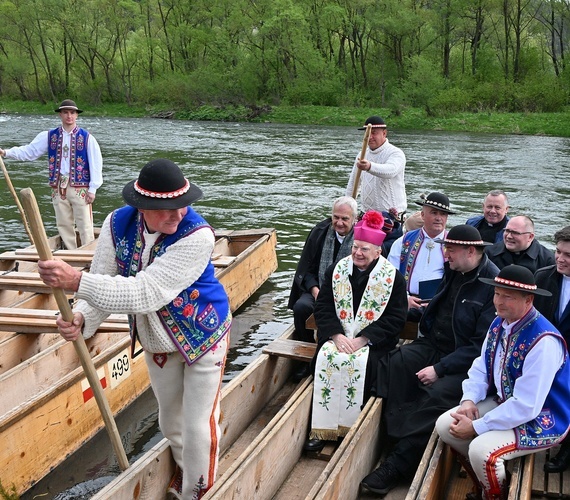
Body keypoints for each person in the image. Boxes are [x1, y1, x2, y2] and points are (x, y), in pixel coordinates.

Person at [37, 158, 231, 500]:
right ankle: (185, 472)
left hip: (204, 336)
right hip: (158, 341)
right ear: (143, 207)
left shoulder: (198, 236)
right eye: (168, 209)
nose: (178, 215)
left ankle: (197, 494)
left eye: (183, 206)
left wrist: (76, 280)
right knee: (171, 424)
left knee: (199, 426)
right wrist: (83, 319)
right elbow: (105, 279)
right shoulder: (116, 224)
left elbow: (145, 293)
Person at [360, 225, 499, 496]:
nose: (444, 253)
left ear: (471, 251)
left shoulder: (491, 285)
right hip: (434, 344)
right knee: (395, 363)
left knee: (437, 397)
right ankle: (393, 436)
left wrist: (439, 369)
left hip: (467, 364)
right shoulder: (454, 269)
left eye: (450, 249)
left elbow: (480, 348)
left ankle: (399, 463)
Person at [436, 265, 570, 500]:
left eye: (507, 296)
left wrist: (477, 427)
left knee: (482, 450)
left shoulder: (544, 341)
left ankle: (493, 495)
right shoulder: (500, 323)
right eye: (497, 293)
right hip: (506, 403)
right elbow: (481, 366)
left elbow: (527, 405)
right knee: (445, 425)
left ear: (528, 300)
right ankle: (486, 482)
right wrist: (469, 399)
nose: (498, 301)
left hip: (543, 417)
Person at [304, 210, 407, 452]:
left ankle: (352, 430)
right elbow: (324, 307)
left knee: (368, 367)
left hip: (373, 341)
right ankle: (323, 429)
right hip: (338, 336)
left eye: (364, 250)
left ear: (378, 252)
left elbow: (396, 318)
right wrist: (336, 335)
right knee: (324, 360)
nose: (358, 253)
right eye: (356, 247)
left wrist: (363, 339)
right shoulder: (336, 270)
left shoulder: (393, 278)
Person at [0, 99, 103, 250]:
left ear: (77, 116)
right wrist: (6, 153)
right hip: (58, 187)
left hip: (80, 188)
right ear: (60, 115)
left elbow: (96, 164)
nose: (69, 116)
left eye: (72, 113)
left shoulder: (87, 138)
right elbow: (30, 152)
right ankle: (70, 255)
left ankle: (87, 255)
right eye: (66, 112)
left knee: (85, 224)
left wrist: (93, 189)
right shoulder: (49, 136)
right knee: (63, 224)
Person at [287, 196, 357, 380]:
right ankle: (306, 355)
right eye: (336, 217)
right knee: (301, 308)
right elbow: (308, 270)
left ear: (354, 220)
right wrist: (315, 290)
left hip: (350, 294)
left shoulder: (361, 240)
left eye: (344, 219)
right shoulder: (319, 233)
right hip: (320, 289)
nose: (339, 223)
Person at [534, 226, 570, 473]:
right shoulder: (543, 277)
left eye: (568, 255)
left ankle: (567, 449)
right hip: (546, 351)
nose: (560, 258)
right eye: (558, 252)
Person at [387, 192, 454, 321]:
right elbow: (390, 275)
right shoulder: (403, 241)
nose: (439, 218)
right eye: (434, 213)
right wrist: (404, 299)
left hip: (440, 308)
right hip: (405, 304)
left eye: (443, 214)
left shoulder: (453, 245)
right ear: (423, 215)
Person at [345, 115, 406, 250]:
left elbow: (390, 170)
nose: (370, 137)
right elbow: (353, 183)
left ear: (384, 133)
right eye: (368, 134)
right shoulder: (362, 154)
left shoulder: (396, 153)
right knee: (363, 255)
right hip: (367, 217)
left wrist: (369, 166)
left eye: (374, 133)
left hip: (392, 221)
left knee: (385, 255)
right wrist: (347, 208)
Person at [485, 215, 555, 273]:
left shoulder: (547, 260)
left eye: (515, 233)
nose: (509, 236)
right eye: (507, 231)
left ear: (530, 237)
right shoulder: (488, 253)